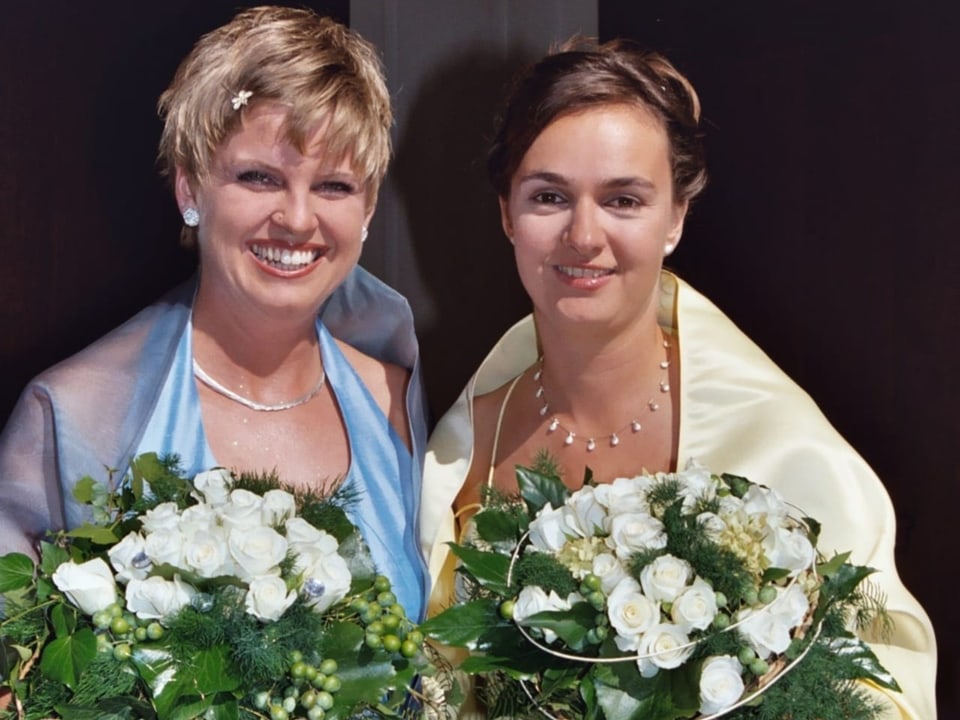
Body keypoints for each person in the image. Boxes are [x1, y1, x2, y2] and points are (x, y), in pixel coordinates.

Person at [420, 38, 937, 717]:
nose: (584, 234)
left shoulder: (783, 447)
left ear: (676, 217)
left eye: (624, 200)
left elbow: (873, 693)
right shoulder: (457, 452)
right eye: (549, 196)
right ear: (505, 214)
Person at [0, 6, 428, 621]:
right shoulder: (74, 417)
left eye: (334, 186)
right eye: (259, 178)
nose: (299, 219)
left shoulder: (398, 406)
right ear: (189, 189)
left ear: (368, 209)